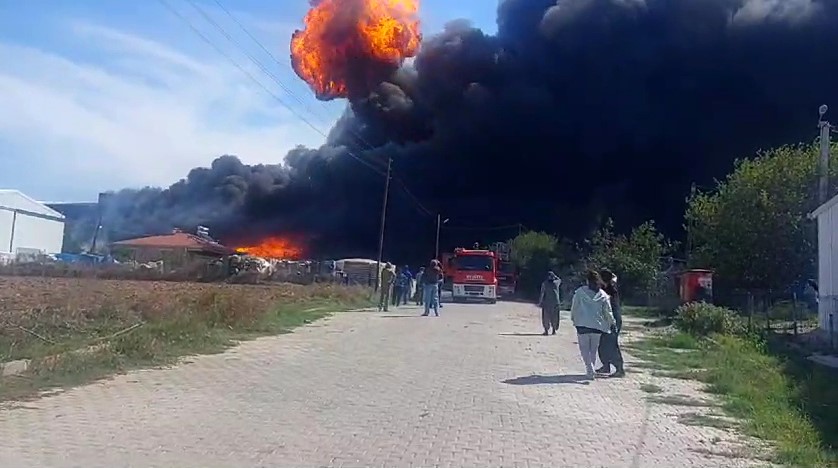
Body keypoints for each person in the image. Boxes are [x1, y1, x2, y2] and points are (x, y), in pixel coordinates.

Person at [570, 269, 617, 380]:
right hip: (597, 325)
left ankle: (589, 368)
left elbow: (574, 307)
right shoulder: (603, 295)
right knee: (593, 350)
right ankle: (590, 369)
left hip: (582, 324)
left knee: (584, 349)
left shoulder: (580, 292)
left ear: (587, 281)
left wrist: (573, 319)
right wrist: (612, 322)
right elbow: (608, 311)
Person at [597, 269, 625, 378]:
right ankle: (606, 366)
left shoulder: (610, 291)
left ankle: (619, 369)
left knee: (611, 344)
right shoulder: (607, 286)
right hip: (607, 320)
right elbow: (614, 276)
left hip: (613, 320)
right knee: (603, 344)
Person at [538, 271, 562, 335]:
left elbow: (542, 293)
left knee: (546, 317)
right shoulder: (556, 283)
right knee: (555, 317)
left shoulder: (544, 284)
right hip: (556, 302)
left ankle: (546, 331)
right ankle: (553, 331)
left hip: (547, 303)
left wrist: (540, 302)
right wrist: (555, 276)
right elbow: (559, 279)